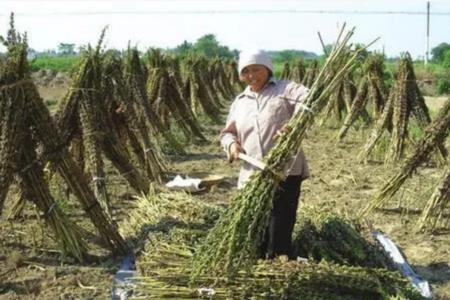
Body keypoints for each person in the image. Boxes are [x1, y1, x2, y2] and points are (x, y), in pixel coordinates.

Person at [220, 49, 310, 259]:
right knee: (255, 227)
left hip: (285, 171)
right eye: (246, 72)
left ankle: (279, 266)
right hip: (253, 173)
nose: (251, 76)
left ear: (268, 69)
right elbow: (227, 133)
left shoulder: (286, 89)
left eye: (256, 70)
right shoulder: (240, 101)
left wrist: (293, 125)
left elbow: (309, 100)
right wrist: (232, 145)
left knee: (279, 229)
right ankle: (260, 264)